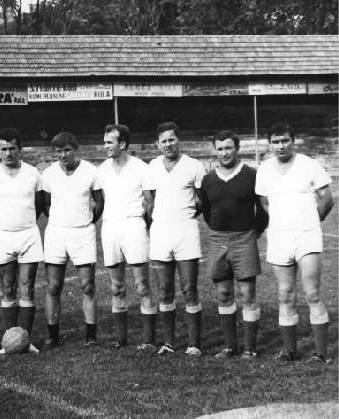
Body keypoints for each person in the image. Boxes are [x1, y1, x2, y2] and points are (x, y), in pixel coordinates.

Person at [255, 122, 332, 363]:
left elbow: (327, 199)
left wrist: (311, 221)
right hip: (279, 237)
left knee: (312, 294)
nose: (281, 146)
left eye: (285, 140)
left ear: (293, 141)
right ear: (270, 144)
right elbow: (263, 202)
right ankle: (290, 350)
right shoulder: (264, 169)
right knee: (285, 295)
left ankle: (321, 353)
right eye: (276, 142)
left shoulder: (309, 164)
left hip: (307, 235)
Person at [198, 130, 266, 359]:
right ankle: (230, 346)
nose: (224, 152)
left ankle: (250, 349)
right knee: (224, 293)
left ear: (237, 148)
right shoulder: (208, 179)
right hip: (218, 239)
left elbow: (262, 207)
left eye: (228, 148)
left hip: (244, 238)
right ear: (215, 151)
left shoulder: (251, 175)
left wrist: (257, 230)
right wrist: (217, 229)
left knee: (247, 294)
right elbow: (206, 210)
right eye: (220, 149)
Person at [0, 128, 45, 351]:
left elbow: (38, 204)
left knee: (27, 287)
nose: (8, 153)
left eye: (12, 148)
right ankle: (10, 341)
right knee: (8, 287)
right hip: (2, 235)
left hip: (28, 234)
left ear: (20, 149)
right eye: (3, 149)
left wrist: (23, 222)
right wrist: (2, 225)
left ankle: (26, 341)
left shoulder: (32, 173)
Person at [146, 122, 208, 355]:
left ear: (178, 140)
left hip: (186, 230)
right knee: (164, 290)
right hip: (161, 231)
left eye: (171, 139)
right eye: (163, 141)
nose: (168, 144)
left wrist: (185, 215)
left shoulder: (194, 166)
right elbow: (149, 200)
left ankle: (194, 344)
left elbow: (202, 200)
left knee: (189, 289)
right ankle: (168, 343)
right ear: (157, 144)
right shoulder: (152, 166)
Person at [38, 132, 102, 349]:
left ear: (75, 149)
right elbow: (46, 204)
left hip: (83, 233)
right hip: (56, 233)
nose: (63, 155)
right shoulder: (49, 173)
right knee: (53, 286)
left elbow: (99, 202)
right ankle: (52, 337)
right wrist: (60, 221)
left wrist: (86, 221)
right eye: (58, 151)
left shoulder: (90, 171)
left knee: (87, 286)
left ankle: (91, 336)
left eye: (67, 150)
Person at [96, 124, 154, 349]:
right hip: (110, 227)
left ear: (122, 144)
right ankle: (121, 339)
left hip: (134, 225)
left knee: (142, 286)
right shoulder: (102, 169)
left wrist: (143, 225)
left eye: (109, 142)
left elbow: (150, 202)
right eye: (104, 142)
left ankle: (148, 340)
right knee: (116, 287)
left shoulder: (140, 167)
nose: (105, 146)